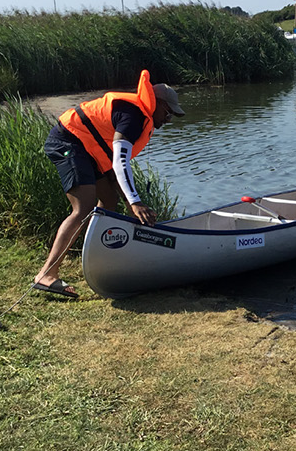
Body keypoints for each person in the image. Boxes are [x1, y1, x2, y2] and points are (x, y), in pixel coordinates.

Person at [32, 69, 184, 298]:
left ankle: (98, 260)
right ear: (159, 104)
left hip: (87, 149)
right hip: (68, 141)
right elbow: (120, 161)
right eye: (168, 112)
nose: (168, 119)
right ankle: (47, 274)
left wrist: (128, 201)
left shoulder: (140, 116)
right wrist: (135, 202)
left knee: (109, 201)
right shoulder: (134, 116)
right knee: (83, 207)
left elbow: (113, 168)